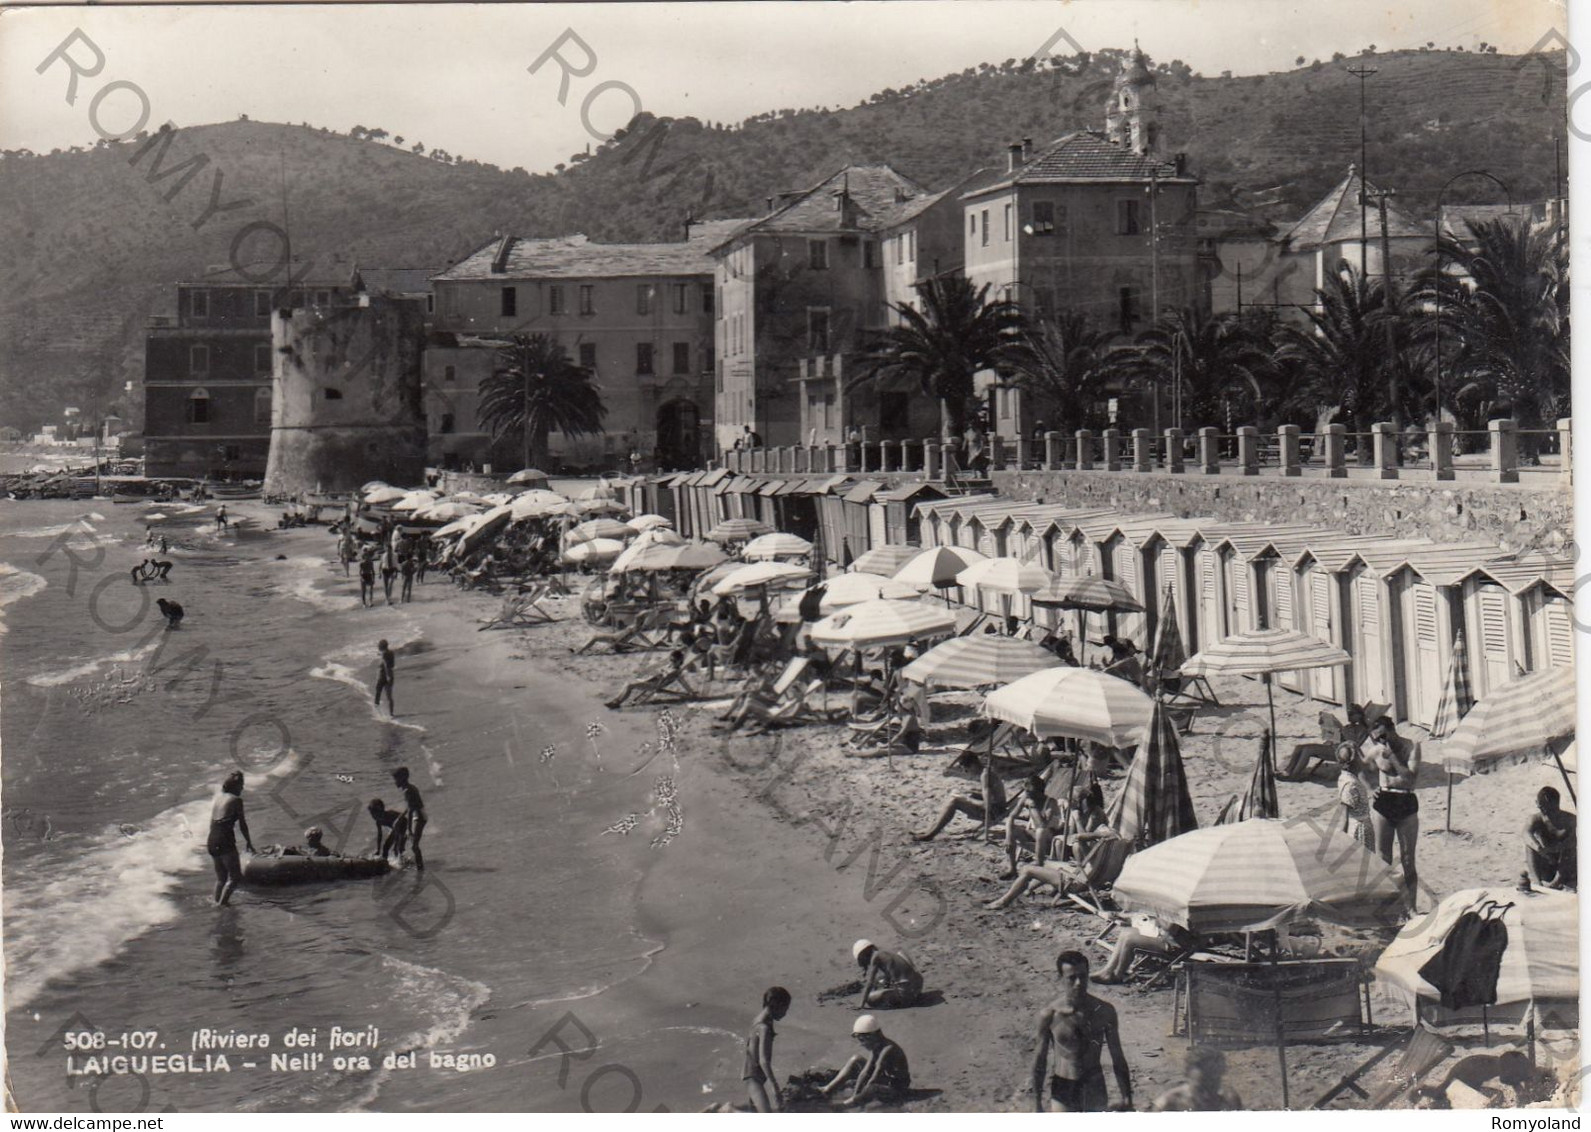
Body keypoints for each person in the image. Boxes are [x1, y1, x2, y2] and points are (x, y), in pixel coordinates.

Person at [1031, 949, 1132, 1112]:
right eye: (1072, 978)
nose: (1079, 982)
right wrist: (1036, 1103)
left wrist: (1127, 1097)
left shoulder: (1104, 1011)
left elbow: (1118, 1056)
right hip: (1064, 1086)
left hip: (1094, 1085)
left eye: (1083, 976)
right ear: (1060, 979)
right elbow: (1039, 1060)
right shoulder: (1050, 1015)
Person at [1367, 715, 1420, 907]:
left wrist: (1394, 758)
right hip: (1384, 800)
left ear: (1392, 729)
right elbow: (1361, 768)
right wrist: (1368, 787)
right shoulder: (1376, 751)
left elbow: (1409, 778)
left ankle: (1411, 907)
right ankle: (1387, 906)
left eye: (1383, 736)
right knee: (1383, 858)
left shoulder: (1411, 747)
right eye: (1376, 738)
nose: (1381, 741)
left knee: (1408, 859)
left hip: (1405, 799)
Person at [911, 750, 1007, 839]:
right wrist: (972, 793)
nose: (967, 773)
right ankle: (930, 829)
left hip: (994, 813)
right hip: (998, 808)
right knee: (961, 796)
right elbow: (992, 796)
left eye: (966, 770)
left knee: (955, 801)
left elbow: (987, 805)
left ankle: (930, 834)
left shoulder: (985, 776)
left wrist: (965, 799)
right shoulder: (987, 771)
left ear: (972, 765)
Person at [820, 1015, 911, 1109]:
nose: (861, 1044)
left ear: (870, 1037)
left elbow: (875, 1076)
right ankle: (828, 1089)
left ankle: (847, 1105)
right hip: (887, 1080)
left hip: (898, 1088)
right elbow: (865, 1072)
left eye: (862, 1040)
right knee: (856, 1059)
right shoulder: (877, 1046)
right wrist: (856, 1093)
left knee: (872, 1088)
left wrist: (859, 1096)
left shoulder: (888, 1049)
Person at [1412, 1050, 1545, 1108]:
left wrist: (1519, 1088)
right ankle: (1422, 1093)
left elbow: (1509, 1079)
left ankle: (1423, 1093)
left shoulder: (1506, 1062)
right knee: (1442, 1094)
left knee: (1441, 1092)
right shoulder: (1507, 1066)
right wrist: (1520, 1090)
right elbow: (1506, 1080)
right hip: (1465, 1073)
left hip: (1469, 1069)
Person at [1092, 915, 1197, 984]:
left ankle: (1118, 975)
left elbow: (1170, 928)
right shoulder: (1175, 904)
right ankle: (1107, 970)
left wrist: (1157, 913)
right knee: (1126, 932)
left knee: (1130, 940)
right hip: (1165, 938)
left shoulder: (1181, 909)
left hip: (1174, 946)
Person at [207, 770, 256, 906]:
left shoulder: (218, 799)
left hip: (212, 839)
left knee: (221, 878)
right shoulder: (236, 800)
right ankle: (222, 906)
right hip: (224, 839)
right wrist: (249, 843)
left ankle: (215, 903)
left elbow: (212, 823)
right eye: (241, 785)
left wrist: (213, 841)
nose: (242, 788)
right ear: (235, 786)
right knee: (235, 877)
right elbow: (242, 824)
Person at [1001, 774, 1064, 877]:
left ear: (1039, 792)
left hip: (1049, 837)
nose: (1028, 795)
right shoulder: (1027, 797)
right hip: (1034, 833)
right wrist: (1008, 837)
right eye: (1027, 792)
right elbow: (1011, 817)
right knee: (1012, 829)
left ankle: (1039, 863)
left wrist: (1033, 807)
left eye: (1030, 793)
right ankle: (1012, 868)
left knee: (1040, 831)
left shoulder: (1051, 803)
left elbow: (1042, 825)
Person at [1149, 1047, 1244, 1111]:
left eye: (1213, 1084)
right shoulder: (1169, 1104)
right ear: (1187, 1074)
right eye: (1201, 1087)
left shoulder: (1229, 1101)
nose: (1207, 1094)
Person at [744, 986, 791, 1113]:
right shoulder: (763, 1027)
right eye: (785, 1009)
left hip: (752, 1075)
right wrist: (774, 1086)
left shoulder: (759, 1020)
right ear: (776, 1005)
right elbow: (763, 1060)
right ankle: (728, 1109)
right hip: (755, 1078)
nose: (785, 1013)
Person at [607, 650, 695, 709]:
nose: (672, 662)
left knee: (630, 685)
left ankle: (618, 703)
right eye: (671, 660)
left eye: (674, 661)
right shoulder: (670, 666)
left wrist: (690, 692)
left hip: (654, 685)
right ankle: (616, 700)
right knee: (627, 683)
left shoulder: (675, 671)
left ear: (680, 661)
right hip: (651, 681)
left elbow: (683, 682)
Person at [1526, 786, 1577, 889]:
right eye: (1541, 807)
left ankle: (1557, 881)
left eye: (1547, 808)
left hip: (1565, 864)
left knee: (1569, 849)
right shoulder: (1536, 818)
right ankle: (1537, 882)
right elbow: (1525, 833)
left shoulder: (1570, 819)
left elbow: (1573, 842)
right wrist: (1539, 848)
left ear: (1556, 805)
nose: (1544, 811)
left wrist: (1558, 847)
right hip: (1546, 861)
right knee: (1529, 847)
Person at [852, 939, 924, 1009]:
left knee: (870, 998)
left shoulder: (875, 957)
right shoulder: (884, 952)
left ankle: (903, 999)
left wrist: (861, 1003)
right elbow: (890, 973)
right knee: (899, 954)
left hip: (906, 995)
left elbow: (870, 983)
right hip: (917, 987)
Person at [1335, 742, 1376, 851]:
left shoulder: (1345, 776)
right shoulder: (1350, 784)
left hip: (1360, 827)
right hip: (1359, 830)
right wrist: (1342, 837)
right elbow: (1345, 815)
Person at [392, 766, 427, 870]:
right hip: (418, 815)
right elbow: (409, 807)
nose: (395, 782)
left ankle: (420, 869)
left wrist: (409, 828)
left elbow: (411, 810)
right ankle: (403, 862)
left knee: (414, 846)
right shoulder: (409, 788)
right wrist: (400, 817)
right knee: (403, 840)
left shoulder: (408, 790)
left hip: (419, 817)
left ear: (402, 778)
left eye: (396, 779)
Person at [373, 639, 396, 714]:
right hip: (390, 675)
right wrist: (389, 676)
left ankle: (377, 712)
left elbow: (386, 665)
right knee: (389, 696)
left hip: (383, 676)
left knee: (377, 693)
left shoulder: (384, 654)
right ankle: (391, 714)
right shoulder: (391, 653)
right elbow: (392, 665)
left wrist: (387, 675)